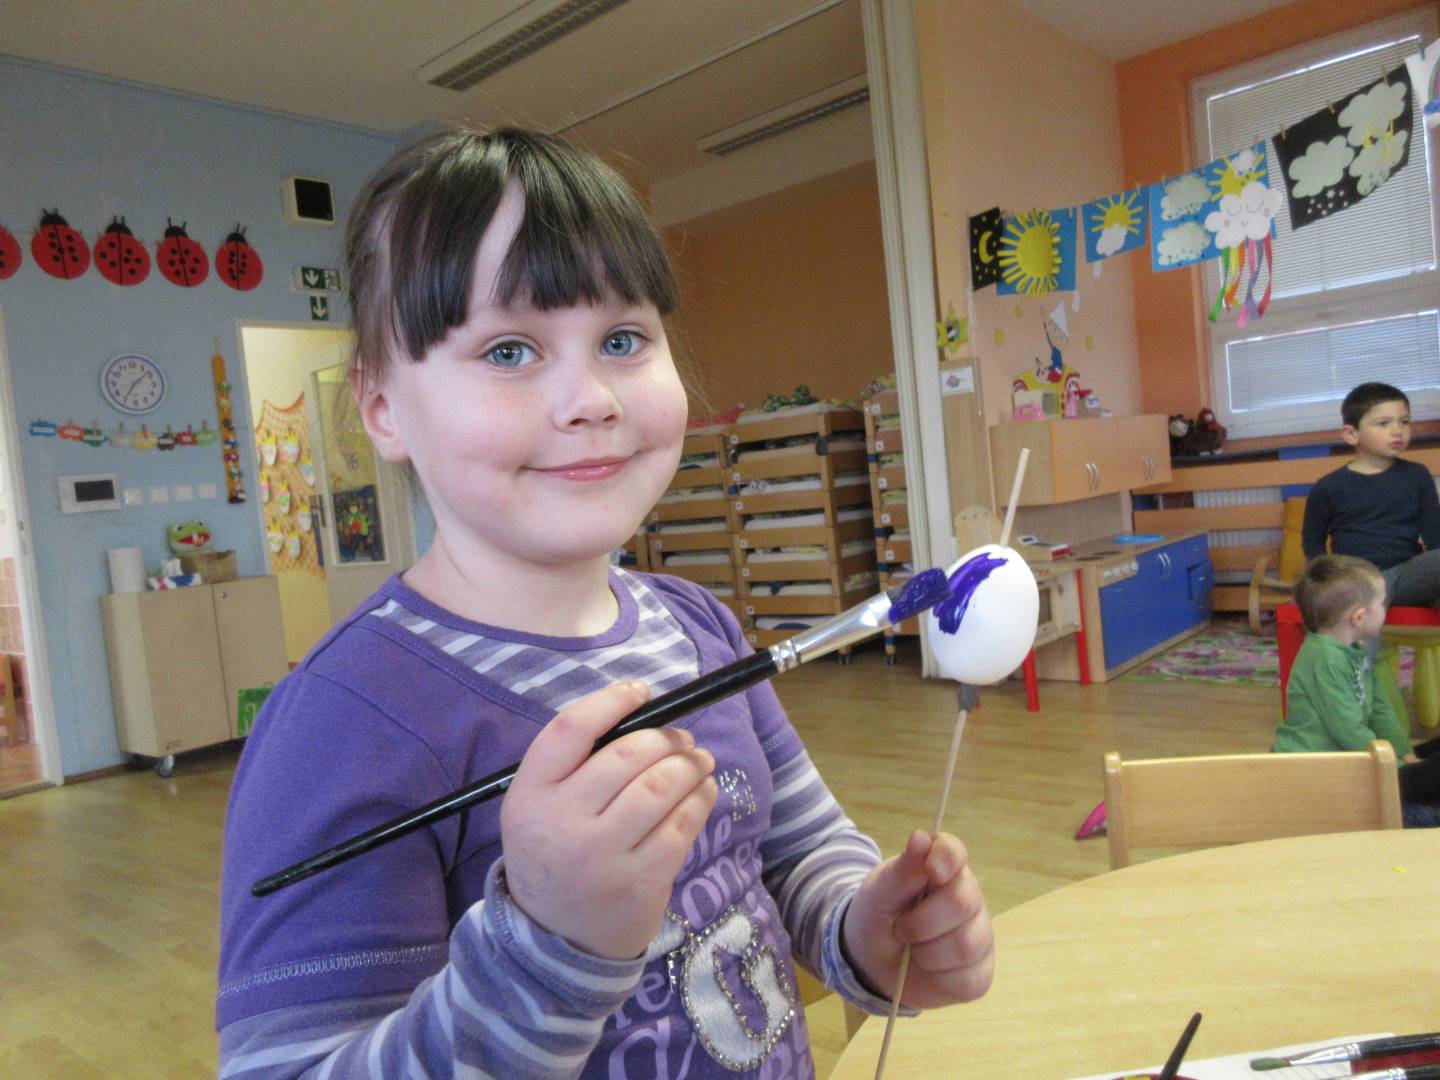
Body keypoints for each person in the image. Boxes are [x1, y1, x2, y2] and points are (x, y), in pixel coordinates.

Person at [217, 128, 995, 1079]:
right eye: (509, 349)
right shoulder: (342, 724)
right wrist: (552, 942)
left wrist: (864, 927)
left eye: (623, 340)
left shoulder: (699, 628)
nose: (590, 398)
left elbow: (798, 853)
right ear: (382, 408)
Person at [1273, 555, 1440, 828]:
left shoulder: (1354, 650)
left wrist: (1404, 751)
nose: (1385, 609)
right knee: (1423, 821)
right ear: (1359, 617)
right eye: (1382, 603)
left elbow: (1380, 709)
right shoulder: (1323, 658)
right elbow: (1347, 728)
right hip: (1316, 772)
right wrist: (1394, 768)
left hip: (1348, 760)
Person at [1301, 382, 1440, 613]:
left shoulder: (1418, 475)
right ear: (1351, 434)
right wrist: (1327, 584)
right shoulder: (1328, 486)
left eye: (1404, 421)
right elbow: (1312, 541)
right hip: (1355, 580)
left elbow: (1435, 536)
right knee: (1350, 601)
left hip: (1405, 575)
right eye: (1383, 423)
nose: (1397, 430)